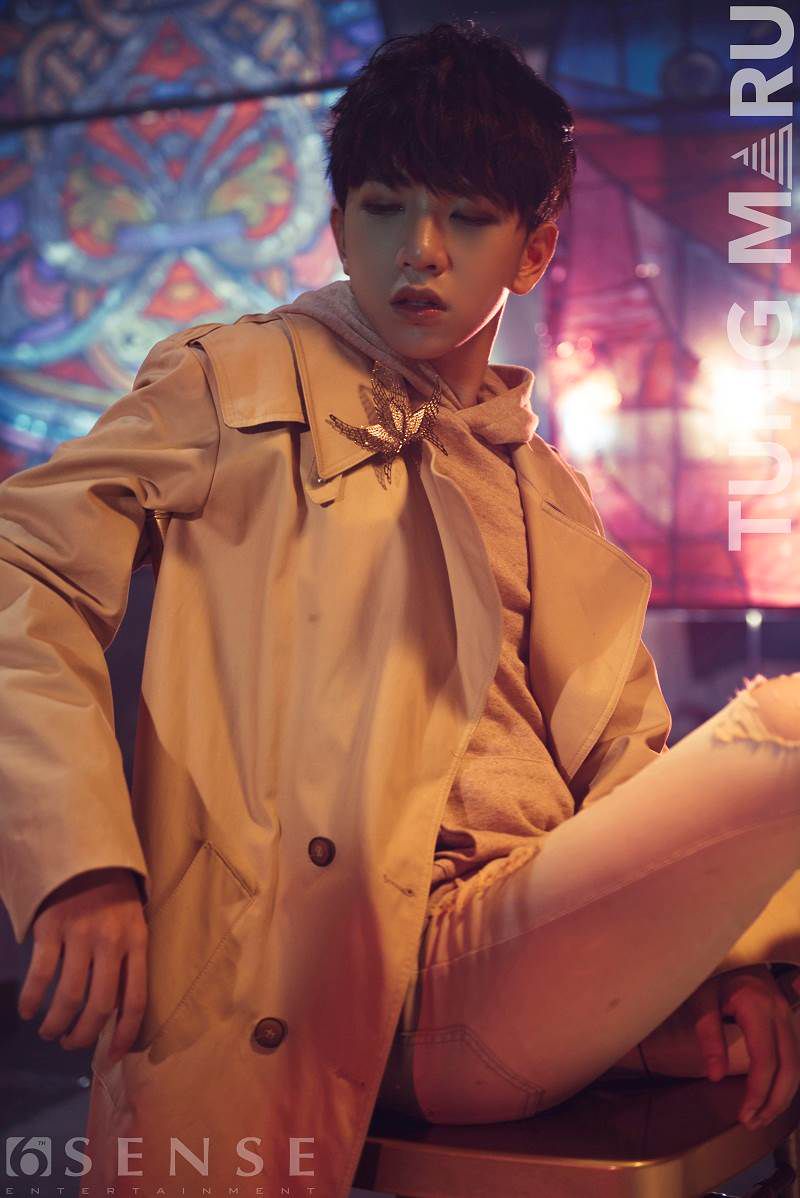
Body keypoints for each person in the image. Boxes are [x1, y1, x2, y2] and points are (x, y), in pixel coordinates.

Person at [0, 16, 799, 1197]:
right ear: (337, 225)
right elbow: (23, 565)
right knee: (784, 729)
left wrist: (727, 959)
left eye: (466, 218)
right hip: (368, 971)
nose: (417, 250)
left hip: (536, 955)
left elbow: (625, 765)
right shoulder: (238, 381)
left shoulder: (545, 490)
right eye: (383, 208)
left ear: (532, 251)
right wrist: (81, 863)